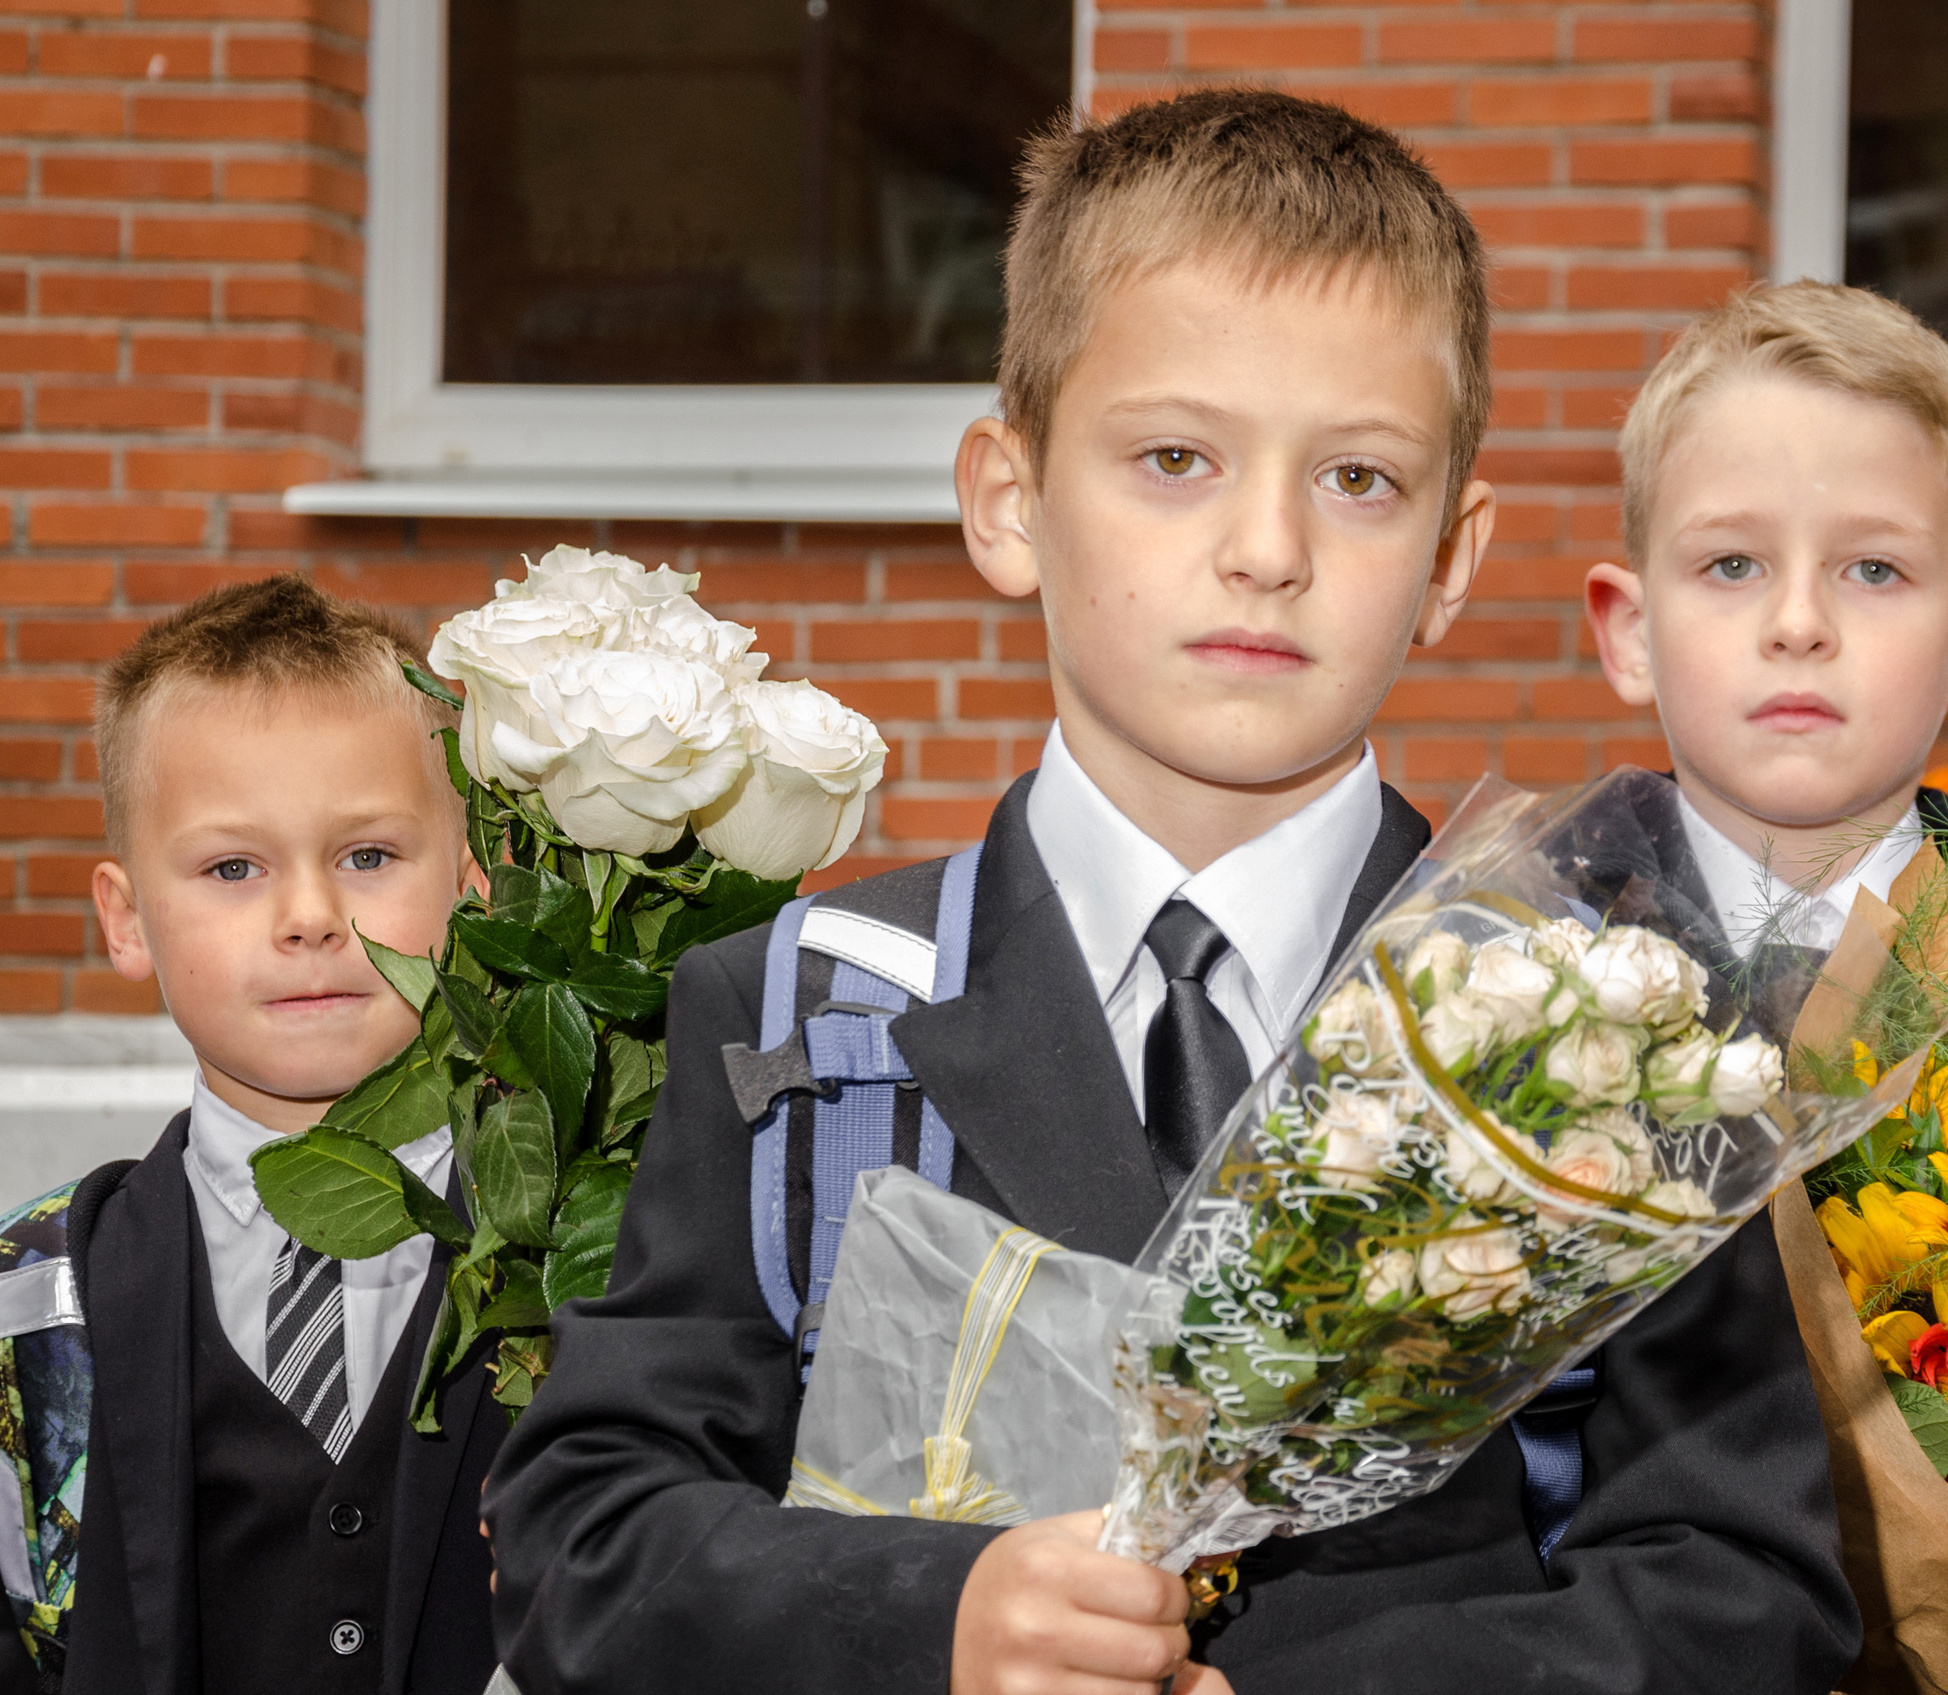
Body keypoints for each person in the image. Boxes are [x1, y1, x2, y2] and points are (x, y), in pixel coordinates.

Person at [483, 91, 1860, 1695]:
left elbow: (1745, 1592)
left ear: (1452, 555)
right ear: (1009, 498)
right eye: (1175, 458)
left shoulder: (1618, 1028)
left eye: (1359, 477)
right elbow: (585, 1540)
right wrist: (934, 1614)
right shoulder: (802, 1001)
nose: (1267, 547)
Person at [1585, 280, 1948, 1687]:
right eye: (1732, 563)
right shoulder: (1522, 964)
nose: (1799, 622)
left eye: (1872, 570)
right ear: (1628, 627)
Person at [27, 574, 505, 1695]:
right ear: (126, 918)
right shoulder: (30, 1304)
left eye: (368, 856)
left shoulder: (608, 1257)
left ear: (473, 890)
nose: (309, 918)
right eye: (232, 867)